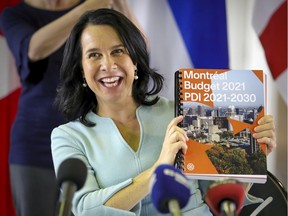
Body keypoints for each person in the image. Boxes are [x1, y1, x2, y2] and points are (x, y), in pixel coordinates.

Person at [51, 8, 277, 216]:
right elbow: (85, 210)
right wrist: (159, 170)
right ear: (81, 69)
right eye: (94, 55)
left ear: (135, 61)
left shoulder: (180, 113)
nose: (108, 64)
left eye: (118, 51)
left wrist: (254, 156)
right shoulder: (68, 136)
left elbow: (218, 197)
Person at [0, 1, 140, 216]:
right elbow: (33, 49)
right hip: (36, 142)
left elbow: (139, 50)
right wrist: (92, 6)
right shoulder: (15, 14)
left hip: (94, 140)